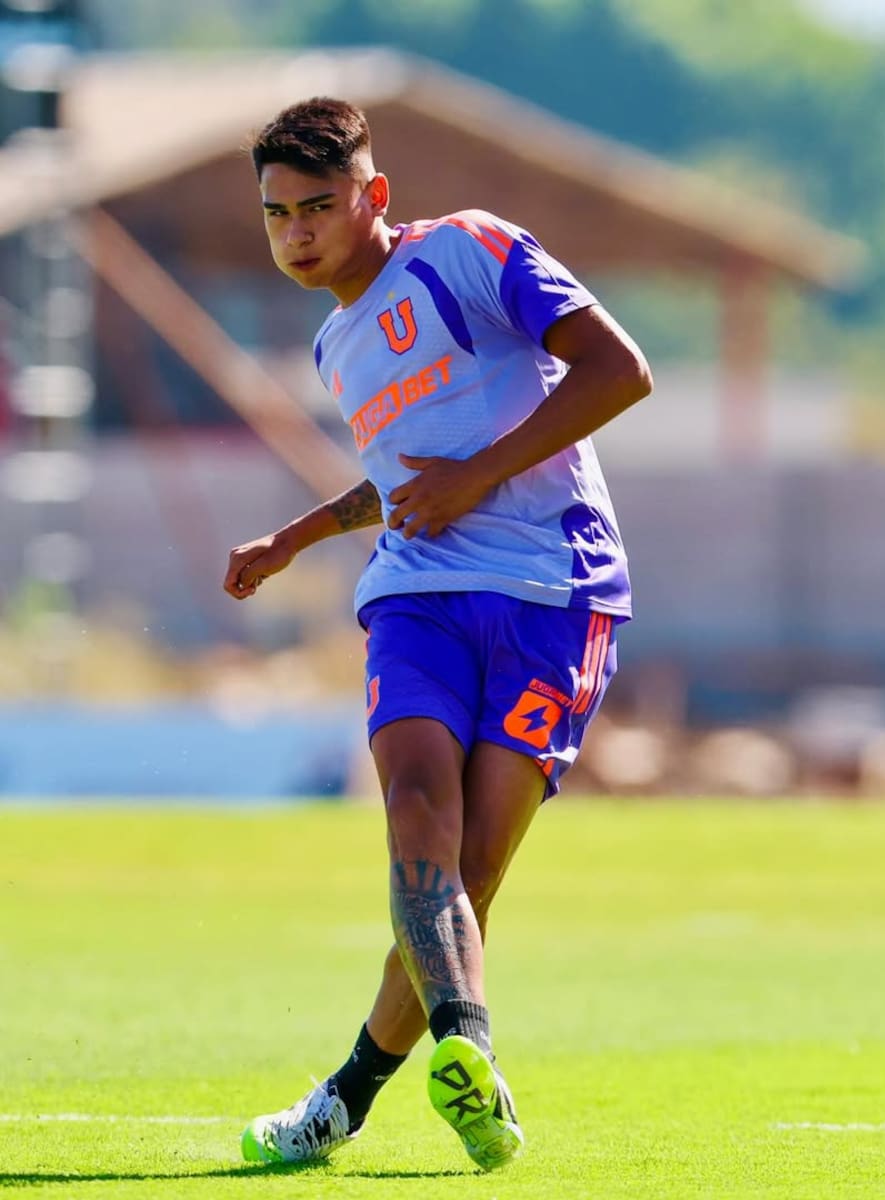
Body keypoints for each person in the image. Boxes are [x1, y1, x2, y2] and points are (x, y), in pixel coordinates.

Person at [223, 97, 651, 1172]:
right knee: (416, 809)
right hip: (416, 593)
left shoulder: (470, 249)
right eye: (278, 215)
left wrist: (478, 477)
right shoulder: (334, 346)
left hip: (557, 589)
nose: (299, 233)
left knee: (469, 872)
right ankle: (469, 1047)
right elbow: (403, 481)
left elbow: (621, 371)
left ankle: (345, 1099)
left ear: (374, 197)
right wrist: (299, 535)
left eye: (320, 206)